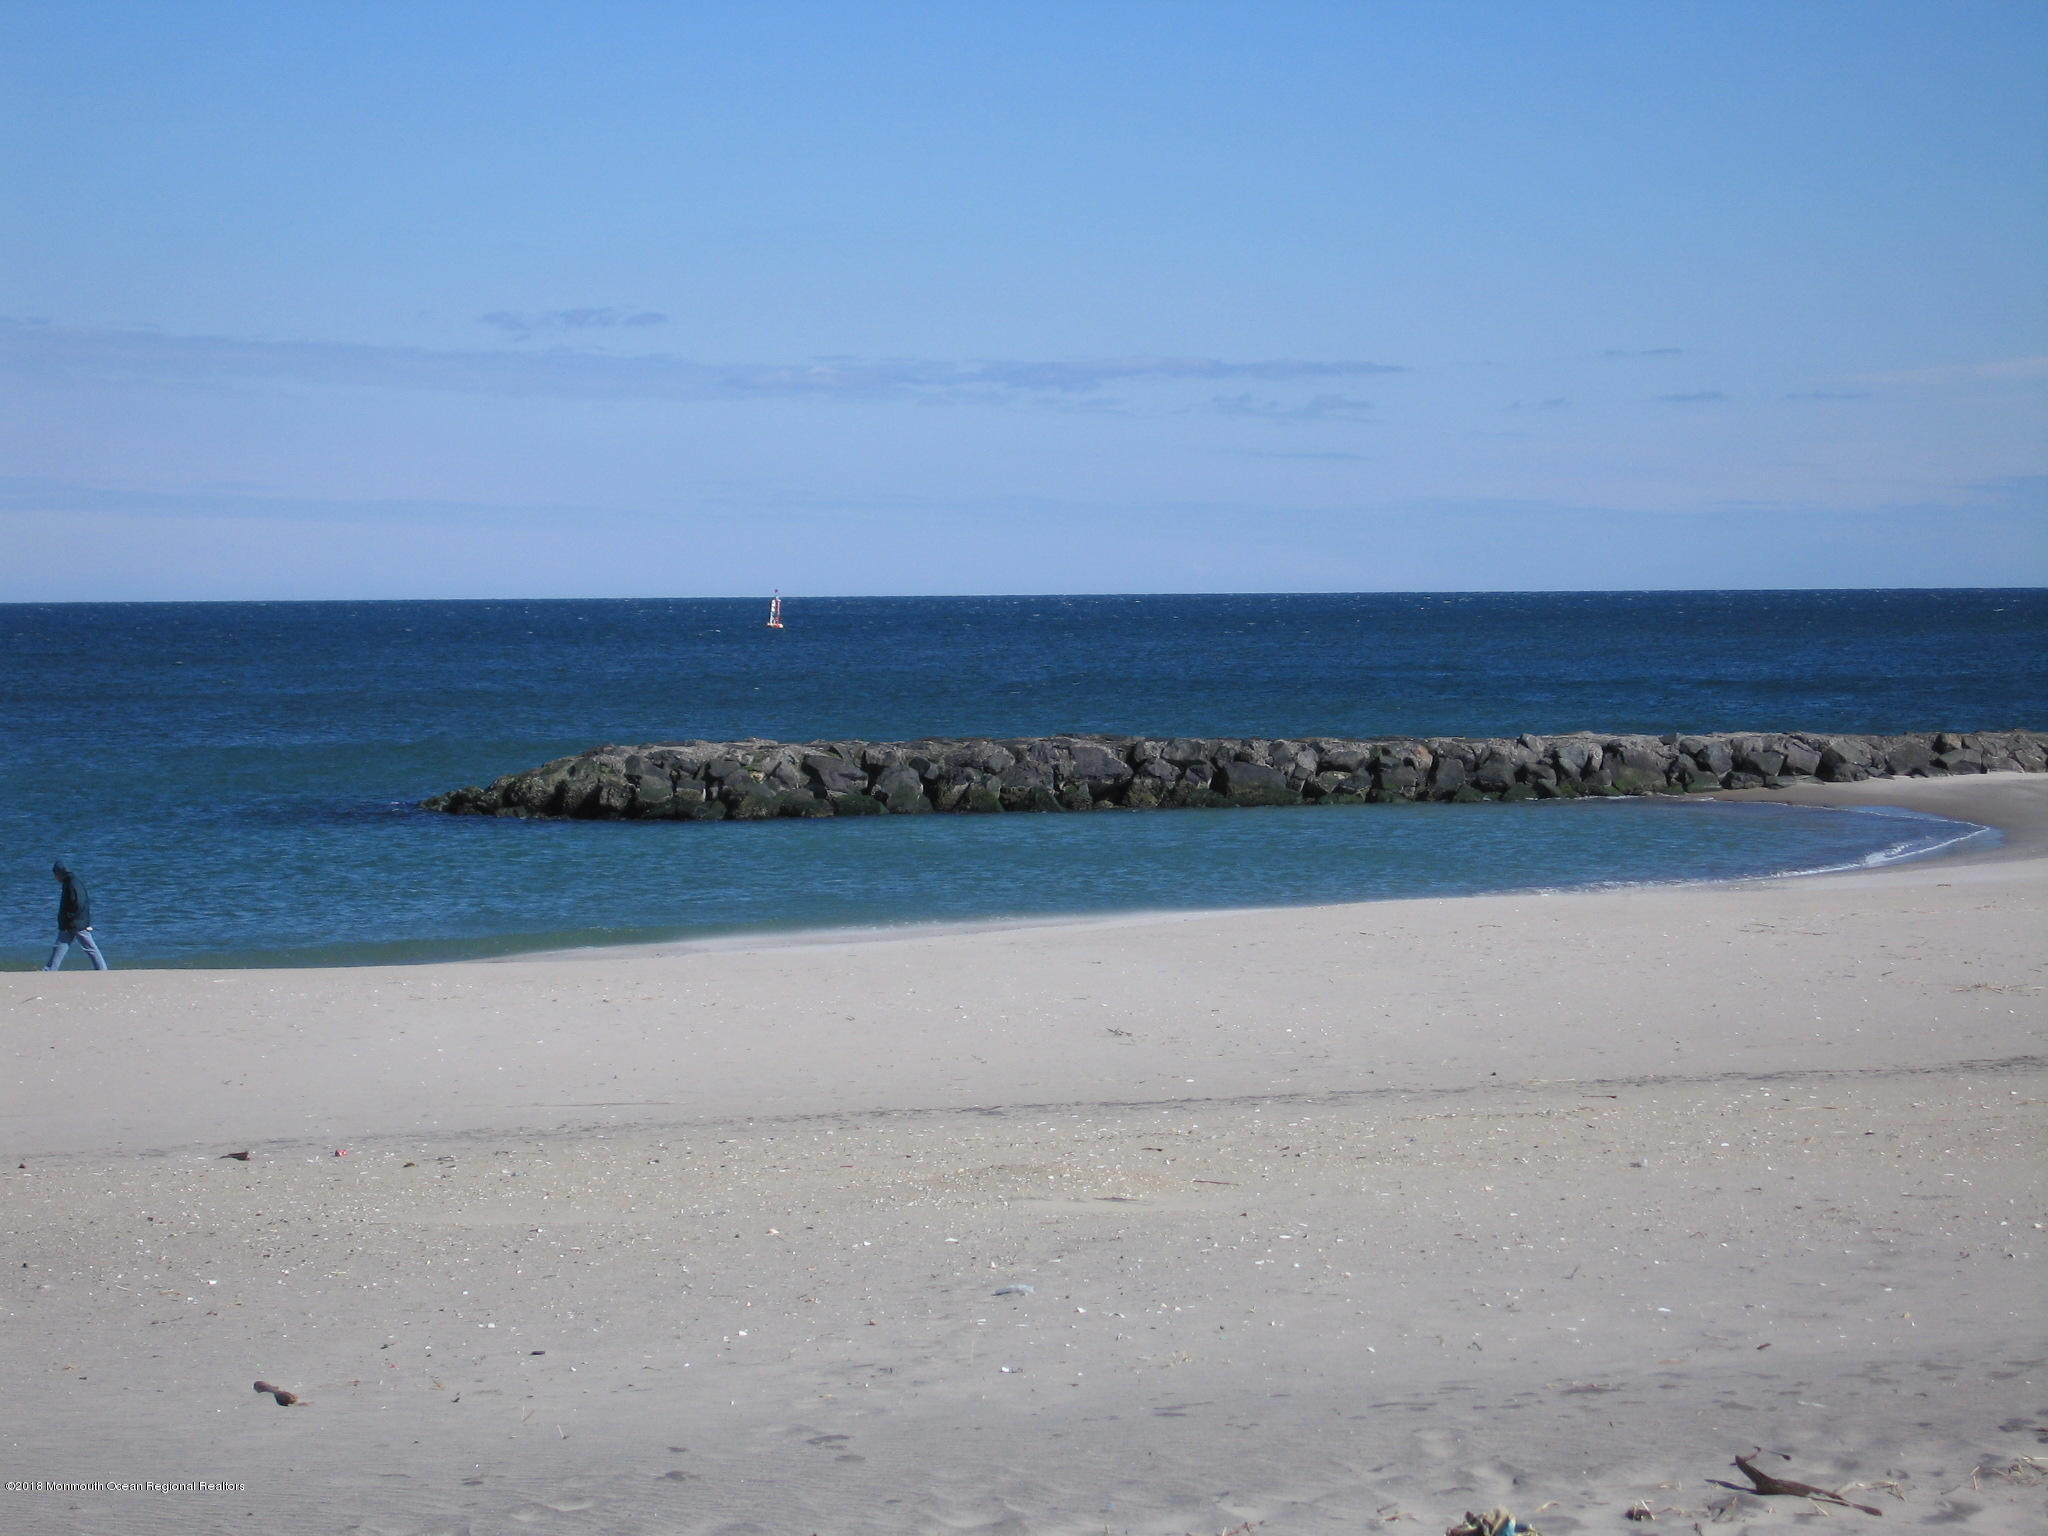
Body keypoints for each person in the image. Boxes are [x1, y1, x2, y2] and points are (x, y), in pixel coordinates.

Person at [45, 859, 110, 971]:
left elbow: (79, 904)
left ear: (60, 873)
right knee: (61, 946)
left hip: (75, 923)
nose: (55, 877)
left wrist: (70, 919)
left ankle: (102, 969)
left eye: (55, 874)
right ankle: (50, 969)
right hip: (73, 923)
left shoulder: (72, 884)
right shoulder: (70, 882)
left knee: (89, 948)